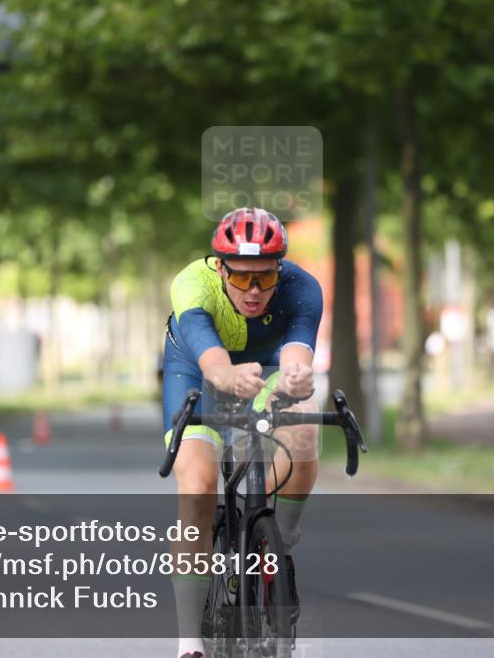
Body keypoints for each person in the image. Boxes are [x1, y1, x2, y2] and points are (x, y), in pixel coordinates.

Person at [162, 208, 323, 658]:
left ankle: (280, 543)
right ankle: (189, 643)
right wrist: (226, 376)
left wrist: (297, 380)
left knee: (305, 424)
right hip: (196, 370)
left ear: (280, 270)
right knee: (197, 488)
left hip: (265, 369)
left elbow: (297, 356)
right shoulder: (192, 284)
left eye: (265, 279)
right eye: (242, 278)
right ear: (220, 267)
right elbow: (212, 361)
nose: (254, 291)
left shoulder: (302, 287)